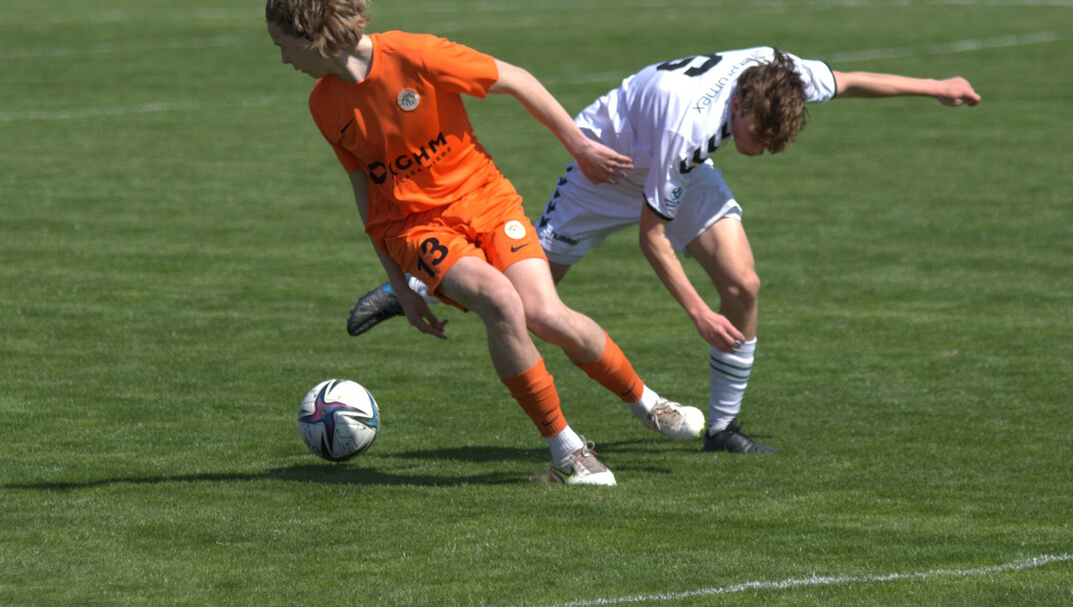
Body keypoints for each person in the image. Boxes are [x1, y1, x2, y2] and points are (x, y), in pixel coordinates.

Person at [348, 45, 982, 454]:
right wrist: (697, 315)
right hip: (607, 165)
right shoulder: (690, 127)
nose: (758, 152)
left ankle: (723, 429)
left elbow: (849, 80)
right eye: (755, 138)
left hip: (675, 170)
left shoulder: (780, 76)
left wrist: (937, 86)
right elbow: (654, 240)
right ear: (736, 107)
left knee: (744, 286)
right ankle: (412, 287)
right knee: (528, 303)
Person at [265, 0, 705, 486]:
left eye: (284, 46)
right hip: (416, 229)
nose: (284, 59)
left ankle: (649, 404)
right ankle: (567, 449)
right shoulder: (323, 105)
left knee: (544, 313)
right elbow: (365, 192)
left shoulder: (414, 54)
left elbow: (517, 80)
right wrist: (402, 288)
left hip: (486, 199)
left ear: (312, 34)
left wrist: (580, 146)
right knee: (500, 301)